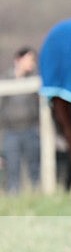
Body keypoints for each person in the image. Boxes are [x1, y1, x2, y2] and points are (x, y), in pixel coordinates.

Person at [0, 47, 40, 194]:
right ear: (18, 59)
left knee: (35, 167)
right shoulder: (5, 80)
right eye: (30, 59)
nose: (32, 64)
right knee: (12, 169)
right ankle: (13, 199)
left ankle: (37, 195)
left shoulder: (35, 80)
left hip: (31, 130)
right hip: (11, 132)